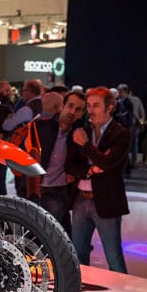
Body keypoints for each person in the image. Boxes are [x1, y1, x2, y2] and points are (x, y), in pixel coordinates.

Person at [65, 86, 130, 273]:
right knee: (78, 254)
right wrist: (90, 170)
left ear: (109, 108)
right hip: (80, 199)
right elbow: (70, 165)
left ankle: (119, 290)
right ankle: (82, 289)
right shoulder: (82, 131)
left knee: (113, 256)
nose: (90, 110)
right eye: (89, 105)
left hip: (107, 201)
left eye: (96, 106)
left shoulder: (120, 133)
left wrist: (86, 145)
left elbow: (108, 163)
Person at [30, 91, 87, 238]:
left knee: (48, 237)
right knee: (32, 236)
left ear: (81, 114)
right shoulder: (38, 127)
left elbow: (84, 163)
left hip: (58, 192)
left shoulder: (79, 136)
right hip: (34, 190)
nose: (72, 112)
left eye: (78, 109)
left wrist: (73, 173)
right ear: (62, 106)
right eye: (70, 106)